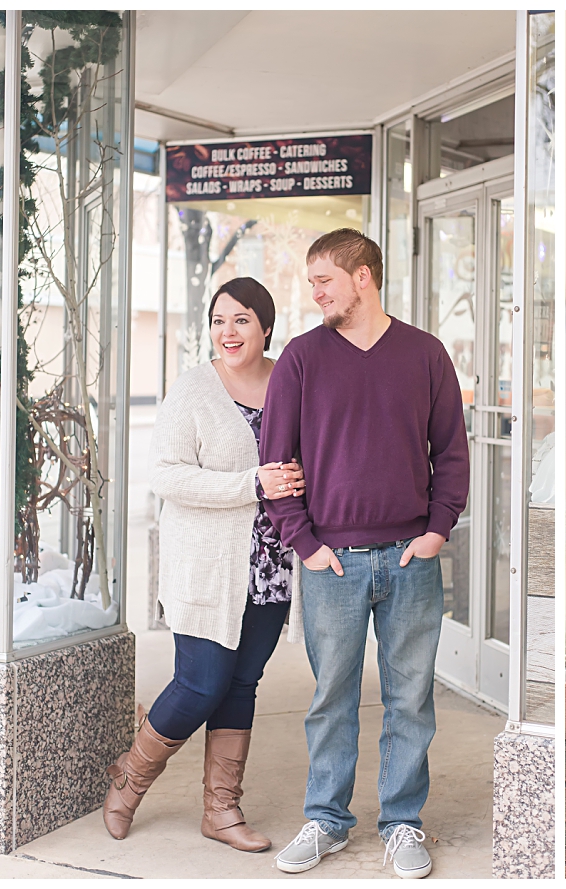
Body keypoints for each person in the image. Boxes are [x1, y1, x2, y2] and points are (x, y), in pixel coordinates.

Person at [260, 229, 469, 878]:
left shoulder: (425, 354)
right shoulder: (300, 358)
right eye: (311, 279)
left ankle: (403, 822)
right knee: (332, 698)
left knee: (410, 699)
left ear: (364, 277)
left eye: (324, 279)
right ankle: (326, 818)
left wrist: (436, 529)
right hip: (334, 563)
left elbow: (453, 451)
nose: (313, 292)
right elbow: (276, 461)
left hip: (412, 557)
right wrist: (306, 544)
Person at [105, 277, 305, 851]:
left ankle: (221, 811)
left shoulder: (290, 383)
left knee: (242, 683)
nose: (228, 332)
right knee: (201, 682)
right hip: (205, 566)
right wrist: (252, 483)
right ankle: (130, 779)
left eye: (241, 320)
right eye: (219, 320)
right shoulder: (193, 389)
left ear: (266, 326)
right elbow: (166, 475)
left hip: (271, 563)